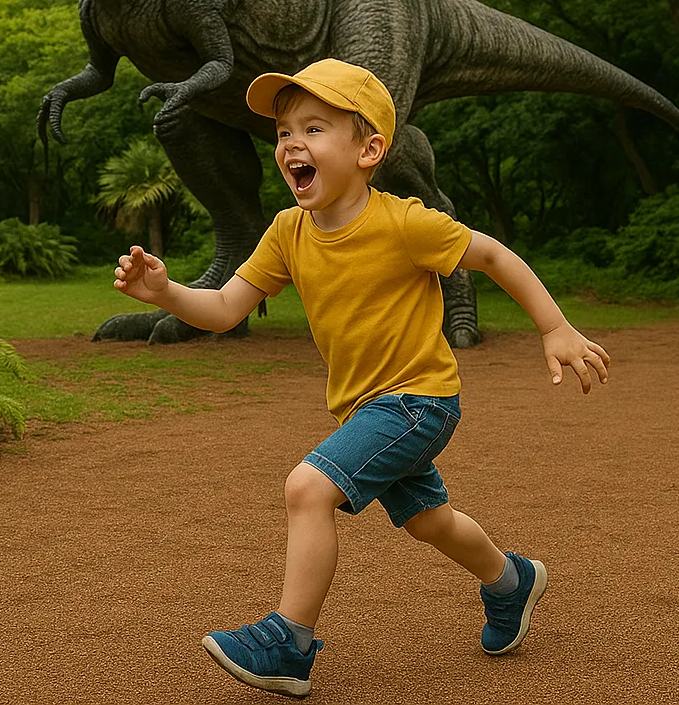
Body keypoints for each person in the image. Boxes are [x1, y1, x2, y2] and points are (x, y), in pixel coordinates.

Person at [113, 58, 610, 699]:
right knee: (429, 521)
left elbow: (490, 254)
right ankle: (511, 582)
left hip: (419, 401)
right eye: (284, 132)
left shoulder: (404, 223)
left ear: (368, 150)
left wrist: (555, 327)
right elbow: (226, 308)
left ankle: (288, 643)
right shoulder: (288, 232)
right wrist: (167, 293)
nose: (292, 143)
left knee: (308, 488)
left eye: (313, 129)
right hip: (364, 409)